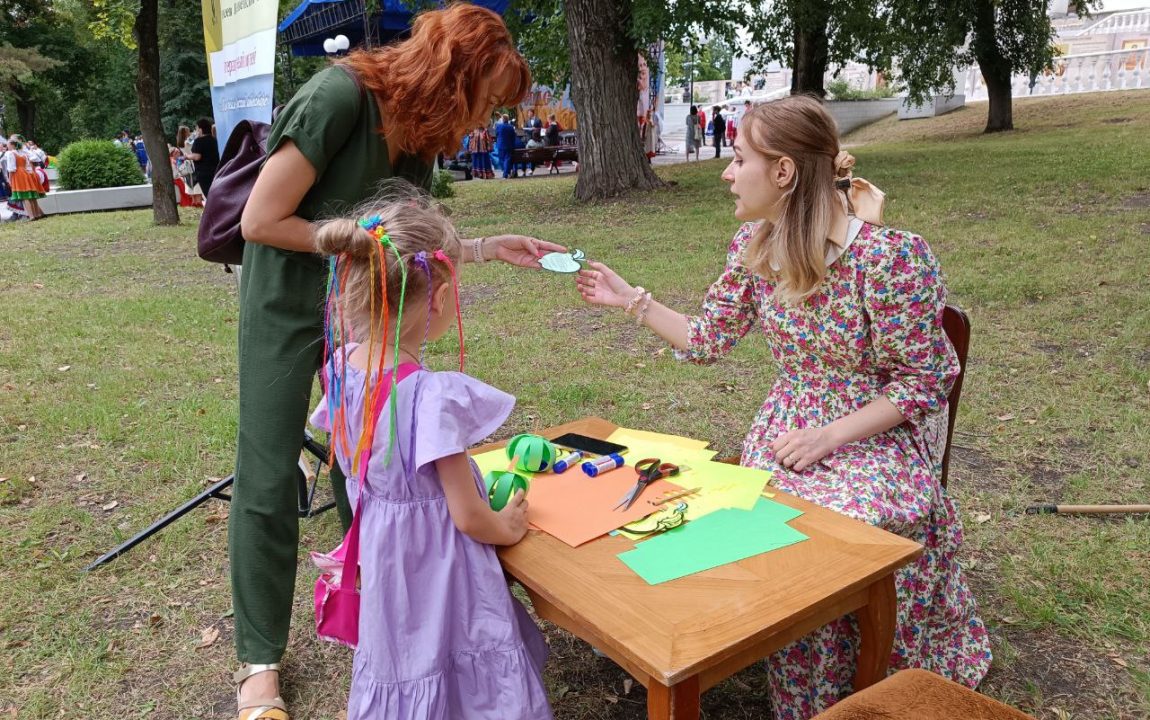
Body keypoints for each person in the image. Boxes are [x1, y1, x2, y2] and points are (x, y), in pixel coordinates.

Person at [575, 95, 991, 718]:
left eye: (738, 157)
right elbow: (708, 337)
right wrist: (630, 299)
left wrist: (828, 437)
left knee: (825, 537)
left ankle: (867, 687)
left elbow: (924, 381)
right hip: (785, 435)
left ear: (784, 172)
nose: (725, 171)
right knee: (746, 522)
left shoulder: (888, 257)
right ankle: (801, 685)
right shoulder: (757, 242)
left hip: (870, 441)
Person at [233, 6, 564, 719]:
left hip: (374, 306)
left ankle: (381, 613)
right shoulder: (338, 96)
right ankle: (259, 662)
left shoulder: (422, 127)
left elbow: (409, 239)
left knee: (378, 463)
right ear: (454, 76)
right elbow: (259, 221)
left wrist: (478, 249)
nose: (481, 123)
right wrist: (357, 245)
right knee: (266, 475)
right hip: (293, 302)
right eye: (485, 102)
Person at [309, 192, 553, 720]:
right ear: (440, 299)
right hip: (439, 569)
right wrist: (507, 524)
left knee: (404, 662)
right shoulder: (429, 394)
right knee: (456, 652)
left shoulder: (343, 368)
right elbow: (468, 517)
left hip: (386, 560)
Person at [4, 135, 46, 220]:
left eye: (8, 144)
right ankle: (37, 214)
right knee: (31, 196)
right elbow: (28, 164)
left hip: (17, 174)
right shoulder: (23, 153)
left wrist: (9, 180)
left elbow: (11, 169)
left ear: (12, 145)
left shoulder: (10, 153)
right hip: (26, 173)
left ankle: (31, 216)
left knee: (25, 196)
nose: (7, 146)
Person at [186, 117, 219, 197]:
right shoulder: (214, 140)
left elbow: (197, 156)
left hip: (204, 172)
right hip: (216, 170)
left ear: (200, 129)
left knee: (209, 195)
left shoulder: (199, 141)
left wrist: (187, 156)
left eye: (197, 128)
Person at [496, 112, 517, 179]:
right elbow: (514, 136)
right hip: (509, 145)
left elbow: (496, 134)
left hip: (501, 145)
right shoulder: (511, 127)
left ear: (503, 119)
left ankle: (505, 173)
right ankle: (506, 172)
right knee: (507, 159)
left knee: (502, 159)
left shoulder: (499, 126)